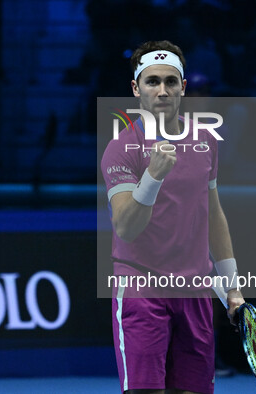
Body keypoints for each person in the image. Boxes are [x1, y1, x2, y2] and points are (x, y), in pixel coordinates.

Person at [101, 40, 245, 394]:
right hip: (141, 289)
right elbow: (126, 227)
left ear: (183, 87)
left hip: (195, 292)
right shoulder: (120, 149)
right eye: (152, 82)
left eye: (170, 81)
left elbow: (212, 214)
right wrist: (152, 176)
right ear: (136, 89)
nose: (162, 90)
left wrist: (233, 288)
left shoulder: (205, 141)